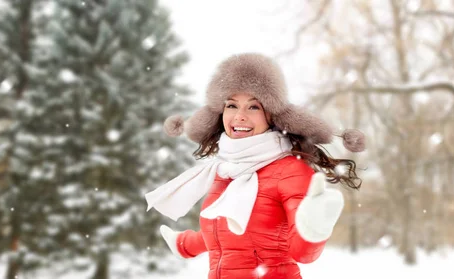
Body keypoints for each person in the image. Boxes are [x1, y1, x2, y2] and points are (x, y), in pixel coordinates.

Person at [145, 53, 365, 279]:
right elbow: (227, 232)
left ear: (271, 116)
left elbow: (302, 252)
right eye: (231, 105)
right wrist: (185, 244)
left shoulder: (290, 171)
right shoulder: (226, 171)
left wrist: (315, 227)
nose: (239, 116)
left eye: (253, 107)